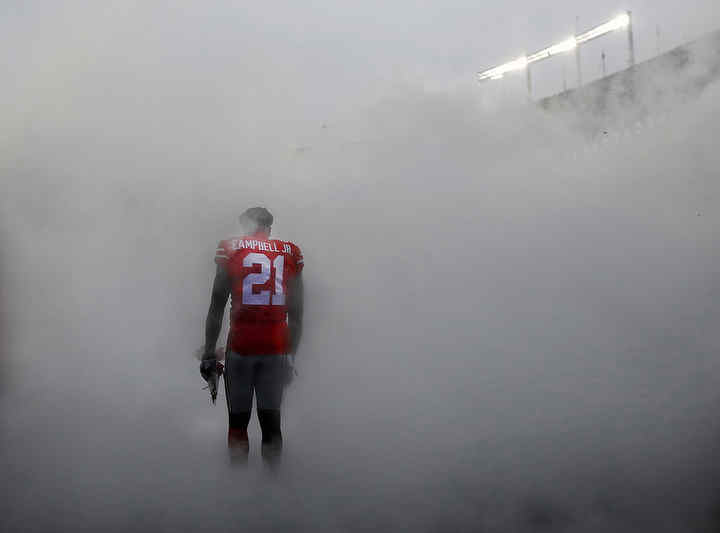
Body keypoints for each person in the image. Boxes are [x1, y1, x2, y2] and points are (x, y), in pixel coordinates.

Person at [200, 207, 304, 465]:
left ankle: (238, 491)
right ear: (269, 227)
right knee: (271, 423)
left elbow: (217, 304)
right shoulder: (289, 252)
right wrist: (291, 355)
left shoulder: (232, 248)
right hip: (276, 347)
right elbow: (297, 312)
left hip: (242, 347)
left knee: (238, 423)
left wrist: (209, 353)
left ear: (246, 226)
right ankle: (272, 490)